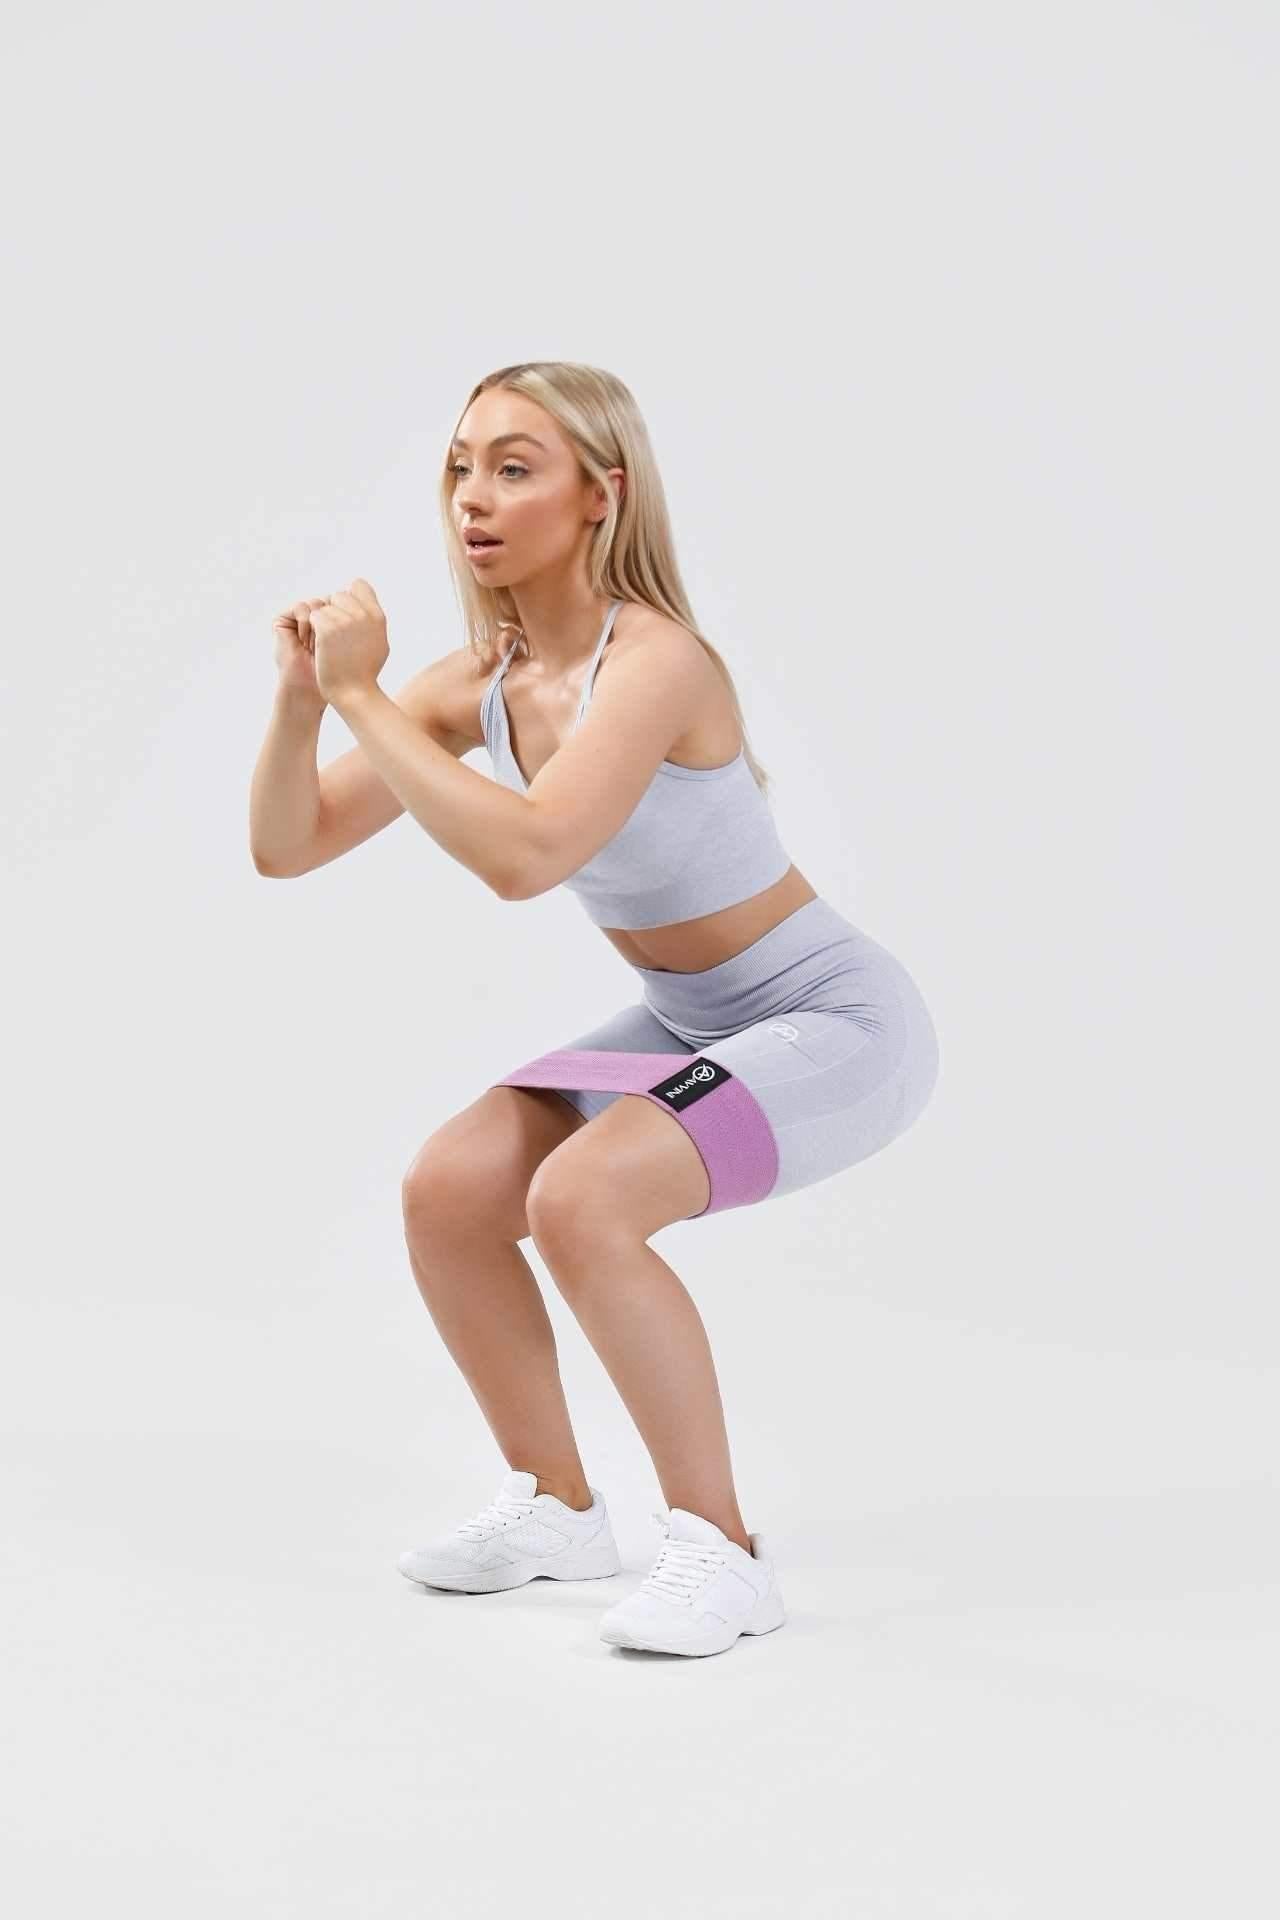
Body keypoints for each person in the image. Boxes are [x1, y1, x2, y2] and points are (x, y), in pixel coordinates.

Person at [250, 361, 940, 1658]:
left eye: (515, 467)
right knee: (454, 1187)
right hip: (690, 1017)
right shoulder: (480, 681)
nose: (473, 496)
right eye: (460, 467)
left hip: (834, 1023)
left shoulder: (658, 663)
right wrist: (303, 705)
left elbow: (528, 857)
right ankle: (559, 1507)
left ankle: (724, 1553)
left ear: (599, 495)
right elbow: (288, 845)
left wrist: (360, 697)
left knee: (583, 1198)